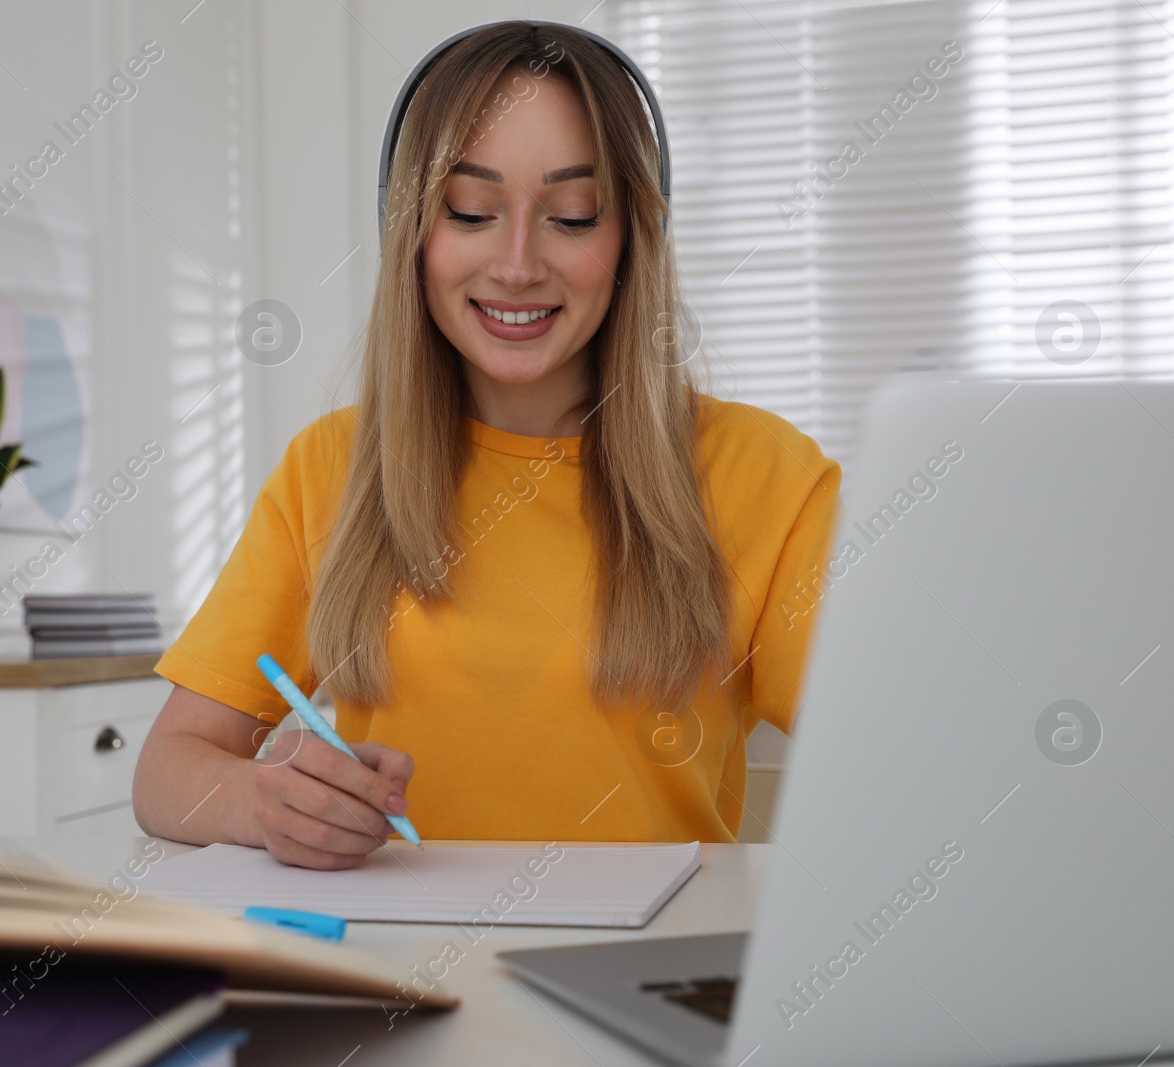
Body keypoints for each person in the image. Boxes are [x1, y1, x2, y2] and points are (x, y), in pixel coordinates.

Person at [133, 21, 840, 870]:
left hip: (642, 970)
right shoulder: (333, 465)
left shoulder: (767, 475)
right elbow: (167, 770)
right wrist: (265, 802)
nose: (516, 264)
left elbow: (900, 752)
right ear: (413, 235)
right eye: (470, 211)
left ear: (631, 240)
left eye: (572, 217)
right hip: (388, 970)